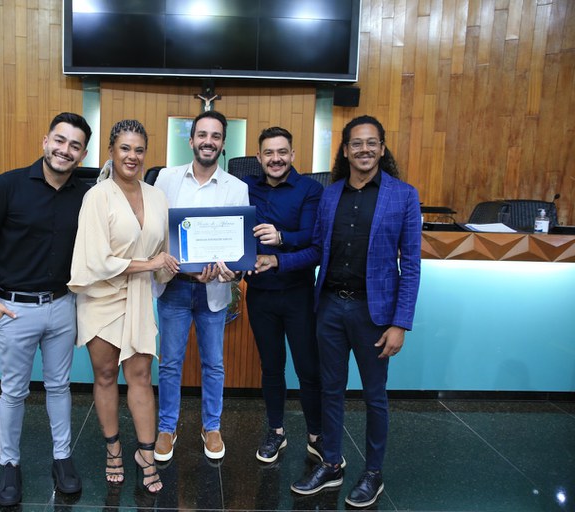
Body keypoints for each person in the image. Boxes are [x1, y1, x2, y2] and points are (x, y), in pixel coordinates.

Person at [255, 115, 421, 507]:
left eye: (371, 143)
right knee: (330, 390)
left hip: (374, 313)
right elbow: (315, 249)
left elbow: (411, 265)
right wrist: (277, 260)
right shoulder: (330, 195)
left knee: (374, 396)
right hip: (328, 306)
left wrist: (400, 322)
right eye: (356, 143)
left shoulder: (403, 195)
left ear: (381, 148)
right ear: (345, 150)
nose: (364, 149)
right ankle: (331, 463)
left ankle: (373, 473)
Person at [0, 112, 92, 507]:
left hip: (63, 306)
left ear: (82, 154)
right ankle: (9, 464)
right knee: (13, 392)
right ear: (45, 141)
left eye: (74, 145)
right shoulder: (5, 186)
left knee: (59, 387)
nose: (65, 150)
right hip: (14, 309)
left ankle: (62, 458)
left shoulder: (85, 196)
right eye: (60, 140)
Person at [67, 120, 178, 494]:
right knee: (104, 375)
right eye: (125, 148)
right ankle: (113, 449)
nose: (133, 156)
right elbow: (96, 260)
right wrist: (151, 264)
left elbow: (165, 253)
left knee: (141, 376)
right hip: (101, 297)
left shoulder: (157, 196)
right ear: (111, 152)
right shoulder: (97, 197)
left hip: (139, 296)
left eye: (139, 149)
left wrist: (181, 264)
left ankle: (146, 454)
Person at [152, 110, 249, 461]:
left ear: (223, 144)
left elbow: (238, 246)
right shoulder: (165, 179)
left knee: (214, 363)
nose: (208, 141)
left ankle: (212, 426)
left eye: (216, 136)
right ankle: (167, 427)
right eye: (202, 135)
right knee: (170, 363)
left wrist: (231, 270)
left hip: (214, 291)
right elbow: (155, 231)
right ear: (191, 140)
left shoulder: (237, 188)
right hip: (174, 287)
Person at [242, 127, 324, 463]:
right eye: (268, 153)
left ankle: (316, 435)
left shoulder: (311, 190)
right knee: (271, 367)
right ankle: (276, 431)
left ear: (292, 154)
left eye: (282, 152)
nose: (275, 159)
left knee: (308, 367)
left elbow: (315, 244)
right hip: (259, 293)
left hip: (298, 294)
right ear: (258, 157)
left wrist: (281, 240)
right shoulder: (245, 188)